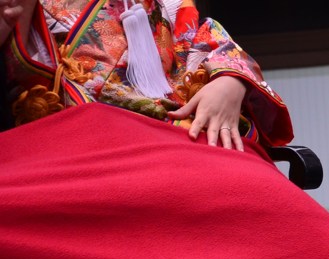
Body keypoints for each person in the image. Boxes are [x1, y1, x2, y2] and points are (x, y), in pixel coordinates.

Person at [1, 0, 290, 148]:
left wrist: (230, 81)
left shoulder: (167, 5)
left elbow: (202, 41)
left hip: (173, 132)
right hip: (77, 142)